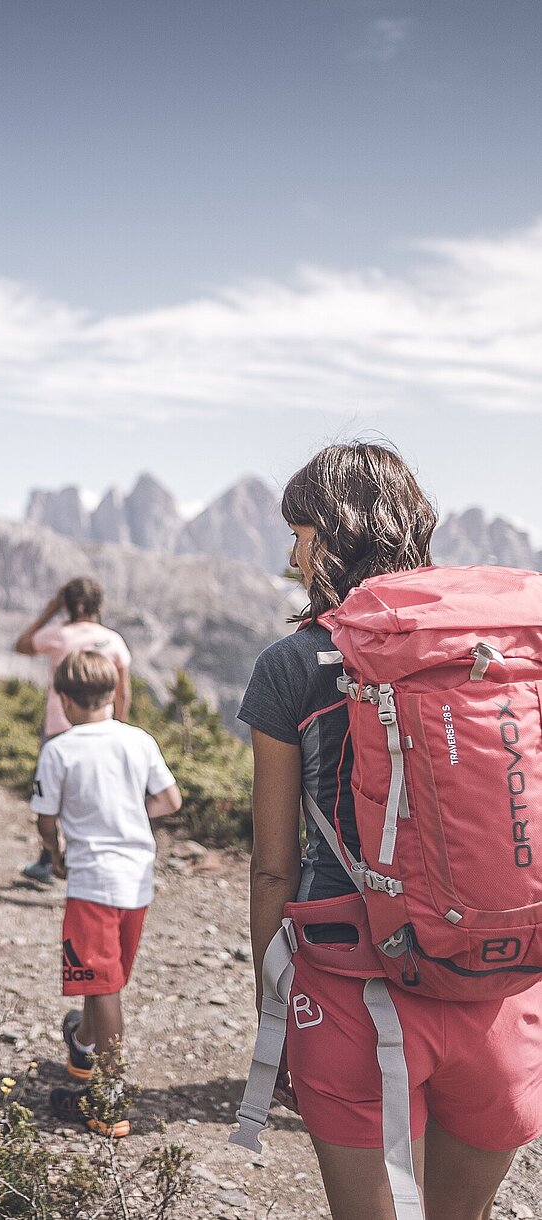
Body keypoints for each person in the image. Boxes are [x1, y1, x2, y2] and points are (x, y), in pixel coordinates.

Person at [238, 443, 542, 1220]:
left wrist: (274, 1004)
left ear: (328, 537)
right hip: (498, 989)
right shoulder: (504, 651)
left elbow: (273, 867)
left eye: (298, 534)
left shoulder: (292, 665)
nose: (292, 553)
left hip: (351, 989)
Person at [29, 649, 182, 1132]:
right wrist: (130, 815)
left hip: (92, 881)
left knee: (103, 985)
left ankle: (109, 1100)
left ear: (66, 700)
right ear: (115, 693)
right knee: (105, 982)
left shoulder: (60, 748)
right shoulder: (138, 740)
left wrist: (54, 852)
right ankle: (82, 1044)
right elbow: (169, 799)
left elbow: (46, 818)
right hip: (138, 880)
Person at [15, 577, 132, 882]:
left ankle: (49, 859)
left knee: (51, 798)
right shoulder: (114, 640)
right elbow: (123, 692)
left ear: (66, 603)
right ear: (99, 605)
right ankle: (92, 862)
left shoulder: (57, 634)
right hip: (104, 728)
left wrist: (49, 611)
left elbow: (21, 645)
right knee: (94, 796)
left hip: (59, 728)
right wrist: (118, 727)